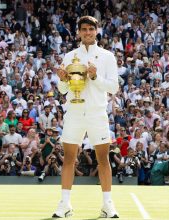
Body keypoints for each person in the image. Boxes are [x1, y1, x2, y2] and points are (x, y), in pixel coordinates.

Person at [53, 16, 119, 218]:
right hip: (73, 112)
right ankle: (65, 204)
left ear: (97, 31)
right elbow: (63, 89)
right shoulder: (70, 56)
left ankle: (107, 205)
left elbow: (113, 88)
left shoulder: (108, 56)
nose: (88, 32)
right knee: (69, 160)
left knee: (103, 159)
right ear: (78, 32)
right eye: (84, 29)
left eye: (91, 29)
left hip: (97, 113)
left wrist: (95, 76)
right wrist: (62, 80)